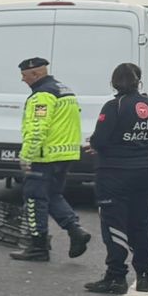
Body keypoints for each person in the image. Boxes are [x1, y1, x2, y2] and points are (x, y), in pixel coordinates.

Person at [84, 63, 148, 294]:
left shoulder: (114, 106)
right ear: (139, 81)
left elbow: (101, 139)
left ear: (114, 82)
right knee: (140, 223)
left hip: (114, 172)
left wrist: (95, 144)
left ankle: (116, 276)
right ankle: (145, 275)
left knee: (114, 224)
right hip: (144, 171)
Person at [9, 56, 91, 264]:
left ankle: (38, 247)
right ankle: (76, 231)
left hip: (45, 156)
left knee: (34, 199)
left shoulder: (42, 96)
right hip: (65, 154)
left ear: (36, 74)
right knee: (53, 195)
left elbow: (37, 129)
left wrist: (26, 157)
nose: (22, 80)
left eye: (24, 75)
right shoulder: (64, 90)